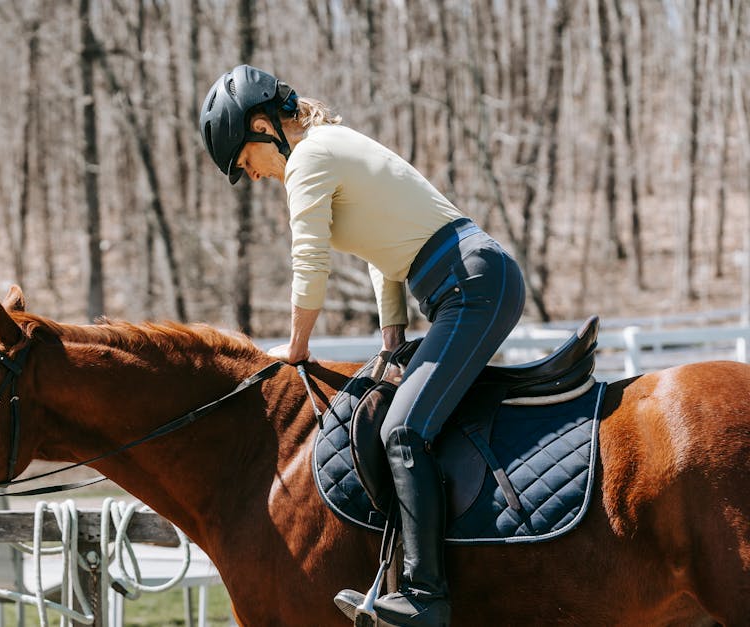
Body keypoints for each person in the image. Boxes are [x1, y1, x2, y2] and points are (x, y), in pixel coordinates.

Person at [199, 65, 526, 627]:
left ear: (261, 126)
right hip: (462, 282)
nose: (250, 176)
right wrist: (391, 336)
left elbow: (310, 260)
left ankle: (425, 597)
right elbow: (386, 248)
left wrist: (297, 347)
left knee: (403, 431)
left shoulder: (308, 159)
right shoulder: (330, 147)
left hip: (471, 285)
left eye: (243, 161)